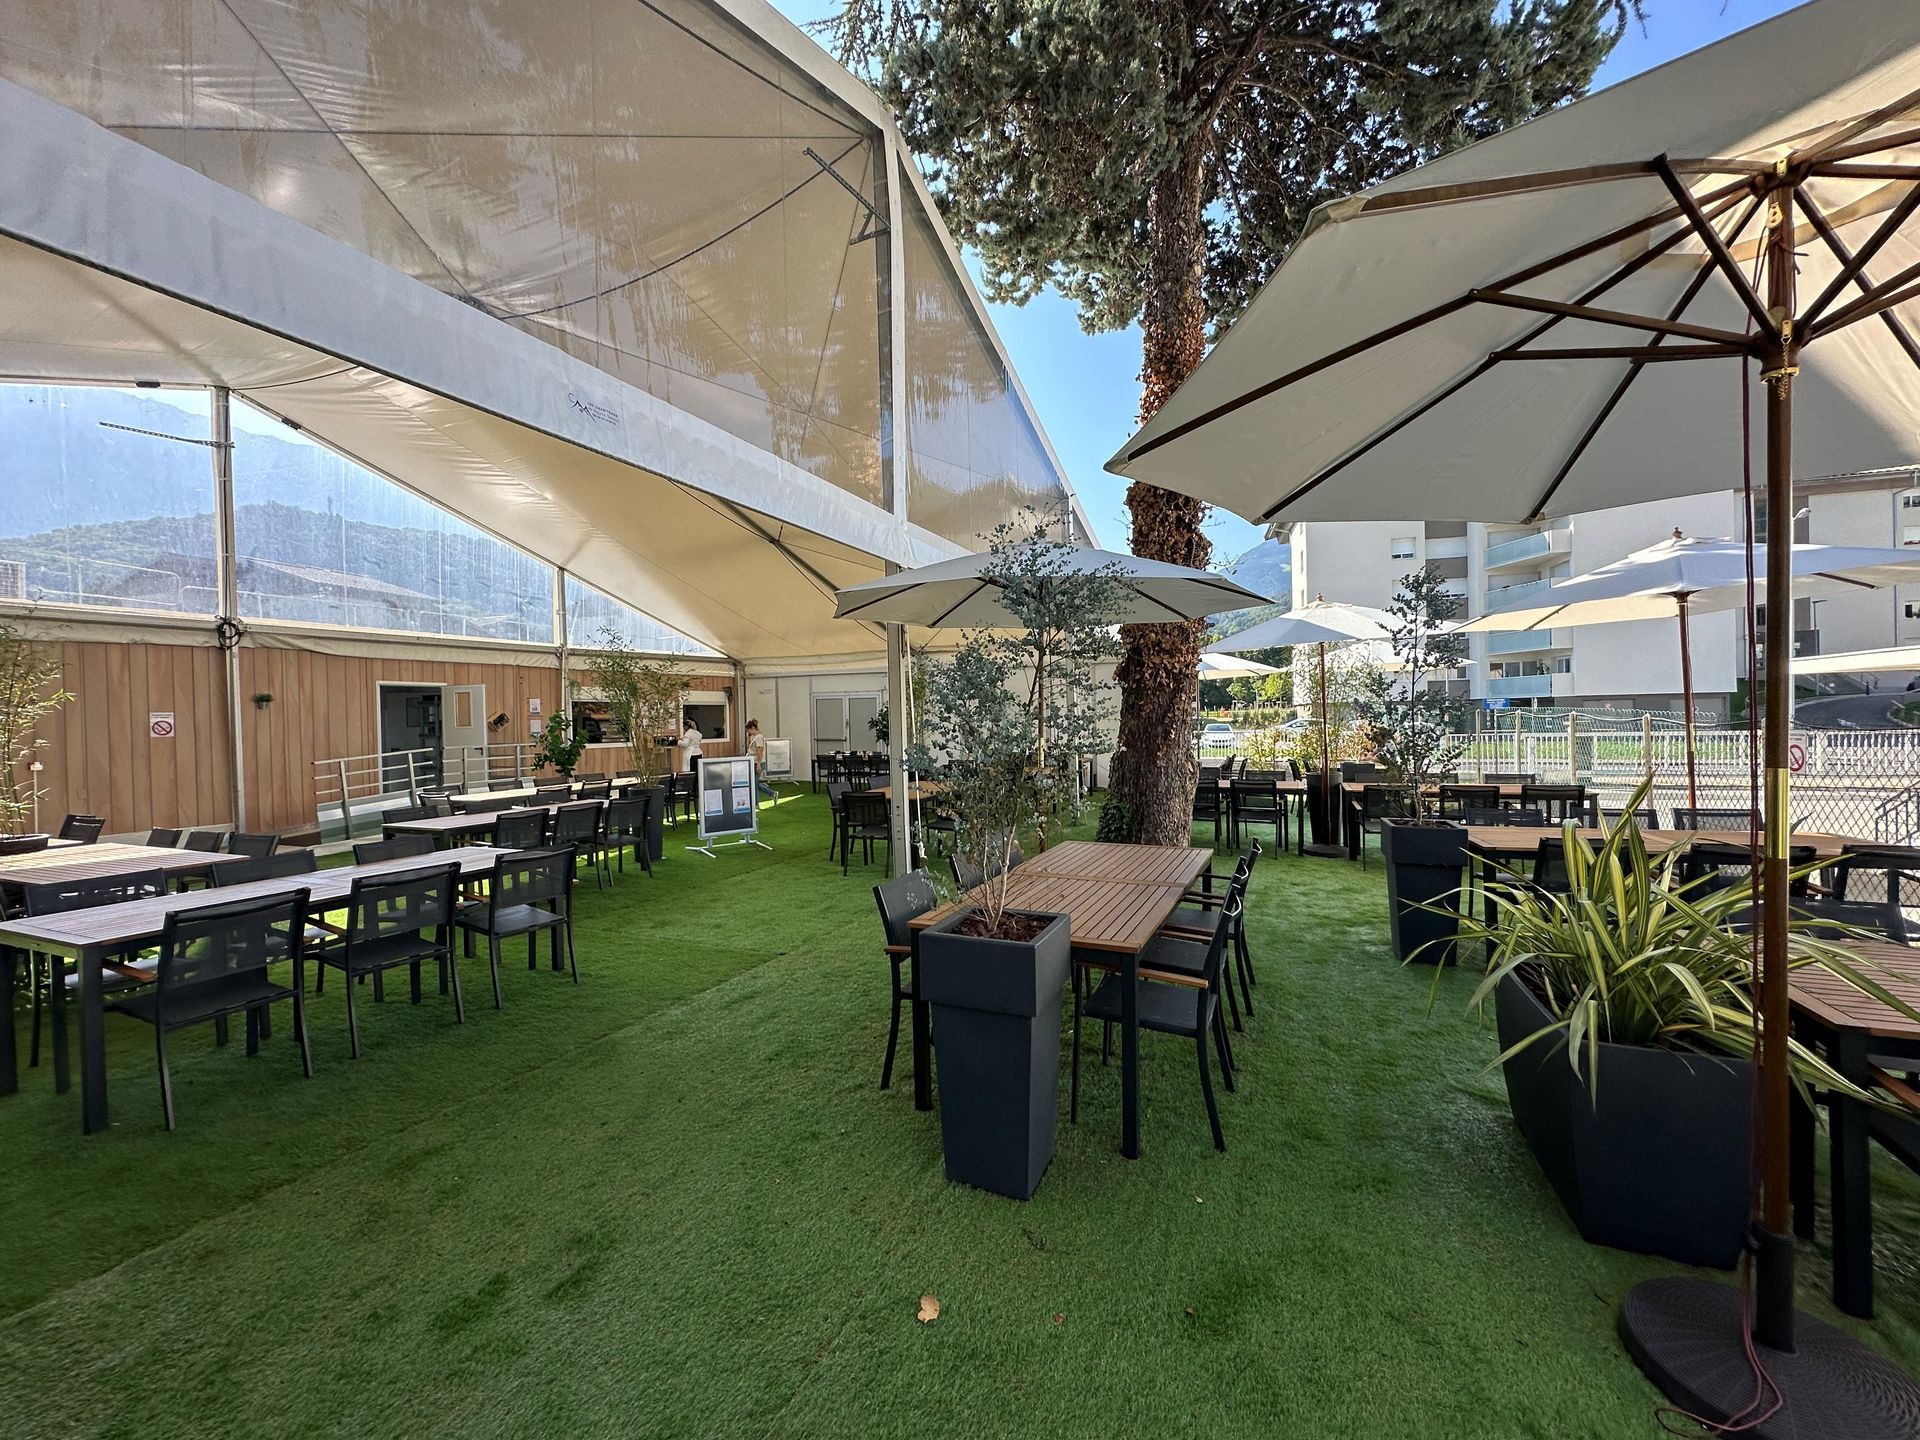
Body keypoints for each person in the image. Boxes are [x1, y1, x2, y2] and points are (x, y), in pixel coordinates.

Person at [745, 719, 777, 802]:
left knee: (754, 783)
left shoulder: (759, 737)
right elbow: (749, 748)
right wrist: (748, 737)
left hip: (758, 762)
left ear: (752, 728)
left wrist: (758, 764)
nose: (748, 732)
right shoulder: (754, 737)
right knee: (754, 782)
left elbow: (760, 751)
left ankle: (756, 802)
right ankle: (772, 793)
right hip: (754, 761)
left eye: (748, 730)